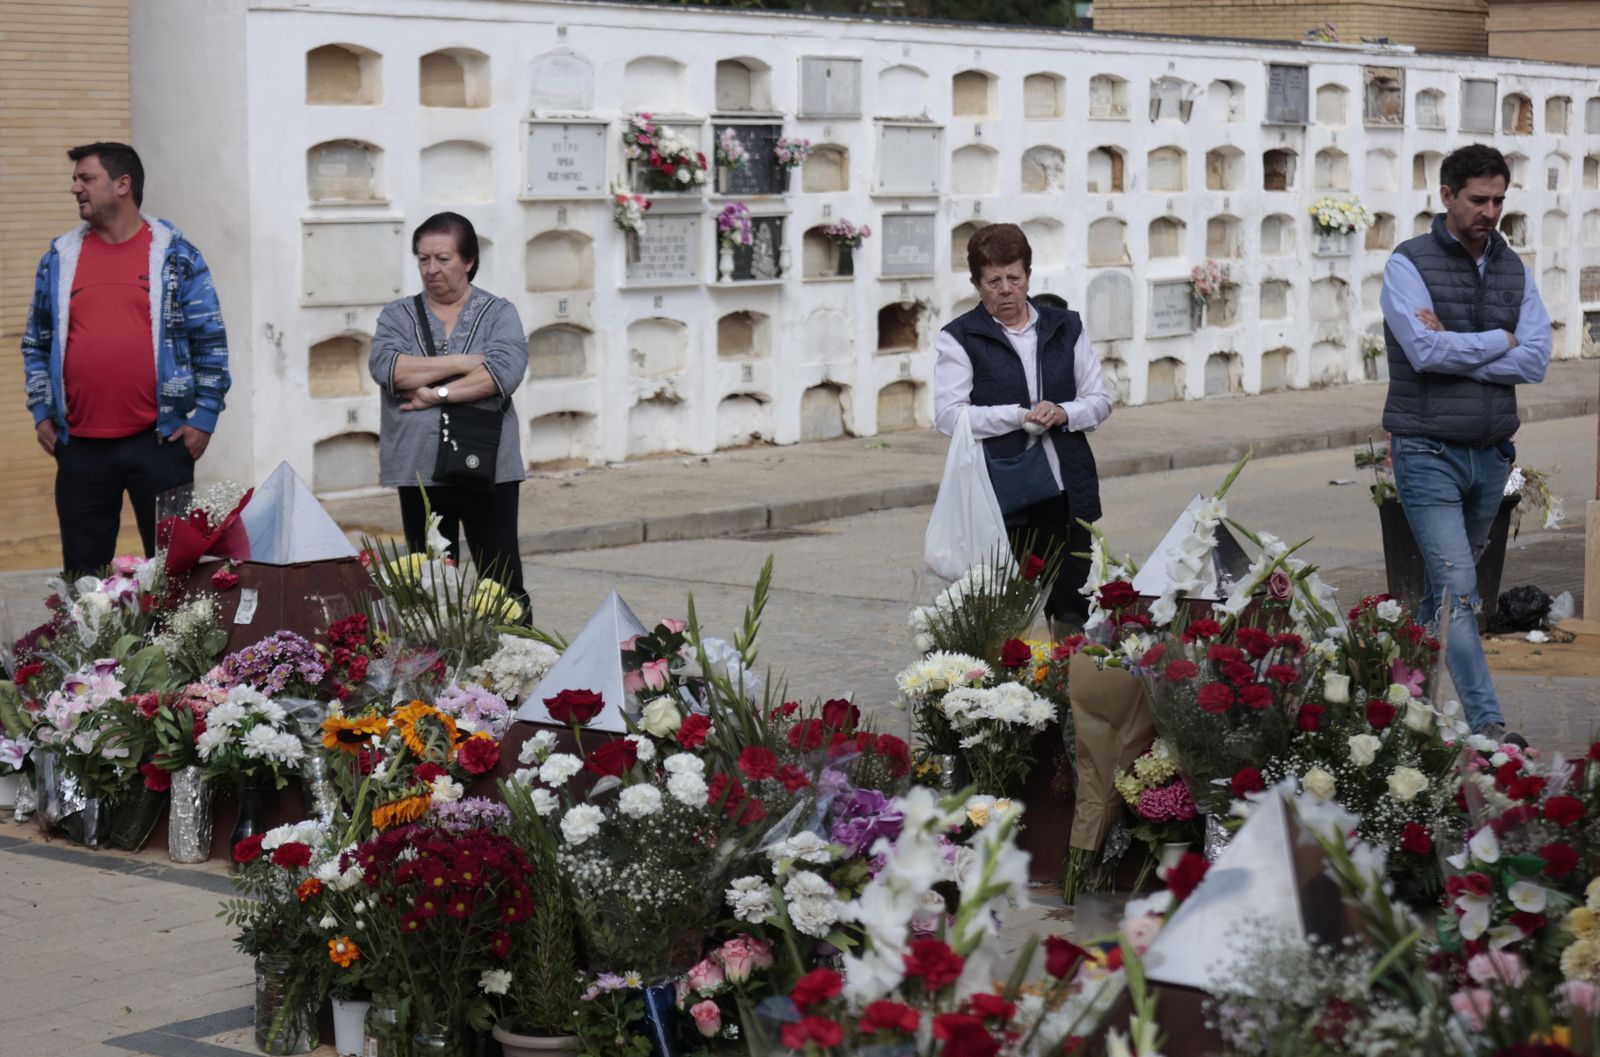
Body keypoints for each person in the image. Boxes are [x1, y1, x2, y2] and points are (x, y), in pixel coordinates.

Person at [1380, 143, 1551, 746]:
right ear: (1447, 196)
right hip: (1427, 450)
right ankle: (1490, 727)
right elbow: (1422, 354)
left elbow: (1536, 362)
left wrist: (1465, 345)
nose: (1490, 210)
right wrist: (1499, 340)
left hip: (1492, 454)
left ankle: (1399, 703)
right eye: (1478, 199)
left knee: (1439, 597)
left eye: (1499, 199)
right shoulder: (1409, 263)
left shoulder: (1512, 267)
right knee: (1458, 590)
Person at [21, 141, 230, 576]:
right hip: (79, 449)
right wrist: (43, 411)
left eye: (86, 178)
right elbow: (37, 342)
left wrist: (204, 417)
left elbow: (210, 339)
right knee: (84, 581)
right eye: (75, 178)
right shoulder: (58, 259)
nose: (74, 187)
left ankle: (176, 648)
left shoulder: (177, 255)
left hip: (162, 444)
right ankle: (91, 648)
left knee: (175, 575)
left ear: (122, 184)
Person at [933, 223, 1113, 626]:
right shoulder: (959, 338)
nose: (1005, 290)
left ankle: (1073, 684)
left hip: (1066, 490)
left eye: (1014, 278)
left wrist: (1064, 412)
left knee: (1072, 607)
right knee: (1010, 616)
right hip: (1002, 496)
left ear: (1028, 276)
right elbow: (949, 415)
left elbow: (1099, 401)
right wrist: (1016, 416)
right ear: (976, 284)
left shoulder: (1066, 327)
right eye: (992, 281)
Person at [370, 212, 530, 618]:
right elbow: (388, 368)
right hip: (419, 468)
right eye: (423, 259)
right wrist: (465, 361)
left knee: (502, 582)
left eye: (442, 259)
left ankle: (519, 669)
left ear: (469, 260)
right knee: (429, 586)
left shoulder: (498, 312)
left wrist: (434, 394)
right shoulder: (397, 315)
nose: (431, 270)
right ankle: (439, 676)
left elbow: (502, 373)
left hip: (488, 464)